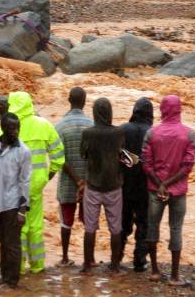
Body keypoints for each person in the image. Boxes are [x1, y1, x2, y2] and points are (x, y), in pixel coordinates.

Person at [0, 91, 64, 275]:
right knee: (35, 225)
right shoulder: (44, 125)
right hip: (36, 184)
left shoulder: (5, 129)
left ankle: (18, 267)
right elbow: (58, 155)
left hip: (13, 188)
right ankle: (37, 265)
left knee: (16, 228)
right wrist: (48, 175)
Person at [142, 95, 195, 286]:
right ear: (179, 109)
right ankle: (174, 275)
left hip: (155, 189)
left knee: (152, 226)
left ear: (162, 110)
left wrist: (160, 184)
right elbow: (187, 166)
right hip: (178, 190)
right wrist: (170, 183)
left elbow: (146, 163)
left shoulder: (151, 133)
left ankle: (155, 270)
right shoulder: (189, 134)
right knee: (176, 228)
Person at [0, 113, 31, 288]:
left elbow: (25, 182)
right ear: (3, 128)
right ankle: (4, 276)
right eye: (11, 128)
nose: (15, 131)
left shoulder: (23, 151)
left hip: (13, 204)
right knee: (2, 242)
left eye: (18, 127)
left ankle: (12, 281)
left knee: (13, 244)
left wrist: (22, 210)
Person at [80, 98, 125, 274]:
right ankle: (115, 267)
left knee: (90, 227)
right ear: (110, 112)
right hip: (114, 185)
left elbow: (83, 155)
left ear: (94, 113)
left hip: (93, 185)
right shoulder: (119, 133)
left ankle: (86, 266)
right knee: (115, 228)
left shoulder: (88, 133)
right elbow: (124, 156)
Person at [55, 87, 94, 266]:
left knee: (66, 221)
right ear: (84, 101)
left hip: (68, 182)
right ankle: (90, 259)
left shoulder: (60, 126)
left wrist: (76, 180)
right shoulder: (92, 124)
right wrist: (84, 180)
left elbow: (59, 158)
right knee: (89, 222)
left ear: (69, 100)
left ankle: (64, 258)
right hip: (89, 182)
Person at [120, 97, 153, 272]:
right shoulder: (153, 132)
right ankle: (140, 261)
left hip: (124, 185)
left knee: (122, 224)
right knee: (143, 224)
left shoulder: (122, 129)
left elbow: (116, 156)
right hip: (146, 187)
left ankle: (116, 259)